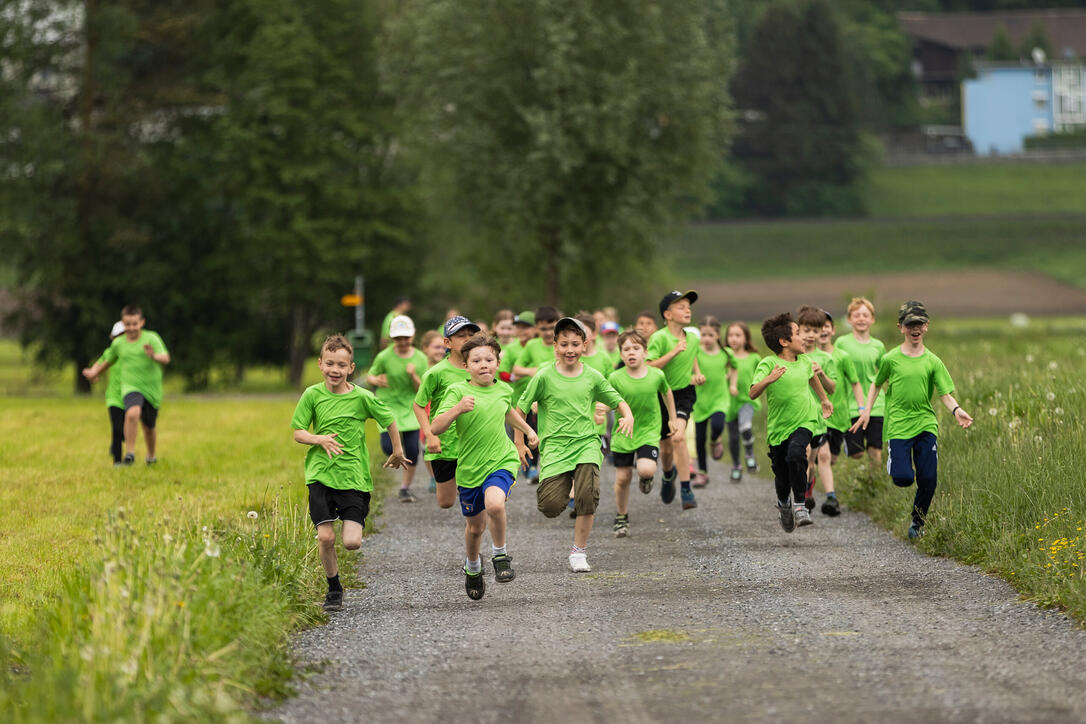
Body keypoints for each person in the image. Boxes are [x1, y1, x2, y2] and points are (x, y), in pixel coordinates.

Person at [291, 334, 409, 611]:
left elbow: (389, 418)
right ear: (320, 364)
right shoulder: (312, 395)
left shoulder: (362, 397)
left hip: (353, 478)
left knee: (352, 542)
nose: (335, 370)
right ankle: (334, 589)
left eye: (341, 365)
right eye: (330, 363)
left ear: (351, 368)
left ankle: (339, 570)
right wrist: (319, 439)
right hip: (319, 475)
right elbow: (298, 432)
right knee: (326, 537)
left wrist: (397, 450)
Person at [516, 317, 633, 572]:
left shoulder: (592, 376)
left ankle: (579, 551)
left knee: (587, 496)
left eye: (576, 344)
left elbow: (616, 399)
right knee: (549, 506)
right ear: (555, 345)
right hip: (555, 448)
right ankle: (568, 481)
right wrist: (520, 442)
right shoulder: (544, 376)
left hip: (586, 444)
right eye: (564, 344)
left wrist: (628, 415)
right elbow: (520, 408)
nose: (570, 350)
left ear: (585, 345)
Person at [852, 302, 972, 539]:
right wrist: (866, 410)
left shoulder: (933, 361)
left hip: (925, 423)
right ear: (901, 327)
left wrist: (957, 410)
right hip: (898, 425)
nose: (915, 329)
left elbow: (944, 394)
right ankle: (893, 462)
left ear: (927, 327)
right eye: (910, 324)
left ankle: (918, 523)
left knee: (929, 478)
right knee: (904, 478)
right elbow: (877, 383)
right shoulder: (890, 359)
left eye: (919, 324)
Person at [432, 334, 538, 600]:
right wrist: (457, 409)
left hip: (501, 459)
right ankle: (473, 567)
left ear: (497, 362)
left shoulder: (503, 389)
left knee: (495, 504)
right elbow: (435, 427)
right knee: (475, 528)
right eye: (476, 360)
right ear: (466, 366)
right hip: (469, 469)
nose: (483, 365)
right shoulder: (457, 392)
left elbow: (507, 411)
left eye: (489, 359)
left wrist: (526, 430)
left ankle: (500, 554)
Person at [749, 313, 832, 533]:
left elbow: (812, 378)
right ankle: (784, 504)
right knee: (782, 475)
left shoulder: (804, 361)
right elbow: (752, 392)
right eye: (797, 333)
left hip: (806, 419)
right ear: (784, 342)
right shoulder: (768, 363)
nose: (803, 338)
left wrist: (824, 400)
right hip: (778, 429)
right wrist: (769, 379)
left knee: (798, 454)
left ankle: (800, 505)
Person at [82, 305, 170, 466]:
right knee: (132, 414)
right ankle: (130, 453)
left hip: (151, 389)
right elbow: (107, 360)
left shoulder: (151, 338)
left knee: (149, 427)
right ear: (123, 323)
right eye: (127, 324)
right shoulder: (119, 344)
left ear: (141, 322)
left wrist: (153, 356)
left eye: (134, 324)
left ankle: (151, 456)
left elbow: (166, 358)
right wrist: (95, 373)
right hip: (130, 386)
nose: (131, 328)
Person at [608, 331, 676, 537]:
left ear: (645, 352)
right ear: (621, 355)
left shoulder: (657, 375)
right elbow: (605, 397)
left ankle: (646, 479)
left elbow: (667, 392)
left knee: (646, 470)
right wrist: (601, 409)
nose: (631, 353)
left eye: (636, 348)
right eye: (626, 349)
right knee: (622, 478)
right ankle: (622, 516)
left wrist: (672, 417)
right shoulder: (615, 377)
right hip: (623, 432)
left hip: (648, 430)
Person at [413, 316, 480, 509]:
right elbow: (418, 405)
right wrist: (430, 436)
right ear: (447, 342)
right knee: (446, 502)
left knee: (475, 498)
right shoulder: (436, 373)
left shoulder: (479, 367)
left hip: (473, 442)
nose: (467, 338)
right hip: (445, 444)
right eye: (461, 335)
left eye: (470, 334)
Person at [647, 290, 705, 511]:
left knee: (678, 438)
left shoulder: (692, 338)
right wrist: (672, 352)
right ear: (668, 314)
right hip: (660, 394)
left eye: (689, 306)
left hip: (683, 394)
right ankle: (668, 474)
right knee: (666, 449)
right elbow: (650, 366)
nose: (687, 310)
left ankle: (685, 488)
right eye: (681, 307)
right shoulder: (659, 338)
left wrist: (697, 374)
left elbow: (693, 357)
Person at [367, 315, 428, 503]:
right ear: (392, 338)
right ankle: (396, 458)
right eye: (398, 338)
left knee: (412, 450)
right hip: (388, 404)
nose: (402, 342)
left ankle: (405, 488)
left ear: (413, 336)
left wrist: (413, 376)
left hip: (410, 406)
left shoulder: (420, 358)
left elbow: (424, 389)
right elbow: (370, 375)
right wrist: (376, 380)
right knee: (388, 447)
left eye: (406, 338)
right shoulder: (384, 356)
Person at [817, 312, 864, 516]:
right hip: (816, 416)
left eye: (827, 326)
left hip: (839, 416)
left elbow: (855, 383)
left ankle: (811, 484)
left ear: (833, 330)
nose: (823, 330)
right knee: (823, 455)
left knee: (832, 458)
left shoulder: (842, 357)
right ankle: (831, 497)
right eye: (818, 327)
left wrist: (861, 408)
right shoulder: (804, 357)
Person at [796, 306, 838, 513]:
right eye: (806, 330)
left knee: (811, 464)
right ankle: (800, 501)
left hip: (819, 419)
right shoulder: (792, 356)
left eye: (815, 330)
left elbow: (832, 388)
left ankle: (808, 488)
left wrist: (821, 374)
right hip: (797, 417)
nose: (811, 335)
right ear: (798, 330)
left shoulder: (826, 358)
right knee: (802, 457)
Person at [512, 305, 560, 484]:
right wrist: (533, 370)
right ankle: (533, 466)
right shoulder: (532, 345)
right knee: (535, 432)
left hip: (558, 398)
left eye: (551, 328)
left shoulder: (562, 344)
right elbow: (516, 369)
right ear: (536, 328)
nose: (547, 333)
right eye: (543, 329)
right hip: (535, 399)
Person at [836, 297, 887, 466]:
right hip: (851, 405)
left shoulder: (878, 346)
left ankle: (874, 486)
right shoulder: (842, 343)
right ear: (849, 319)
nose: (861, 319)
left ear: (872, 319)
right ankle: (859, 477)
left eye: (865, 315)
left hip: (876, 404)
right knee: (856, 453)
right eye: (856, 315)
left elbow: (884, 374)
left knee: (875, 450)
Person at [691, 316, 732, 488]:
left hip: (720, 398)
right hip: (700, 401)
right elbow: (688, 374)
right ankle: (703, 473)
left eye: (710, 335)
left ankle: (715, 440)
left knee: (717, 425)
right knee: (699, 439)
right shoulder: (695, 353)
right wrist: (694, 378)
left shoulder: (726, 354)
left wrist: (731, 379)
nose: (706, 338)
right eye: (703, 335)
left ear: (717, 335)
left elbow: (733, 367)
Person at [723, 321, 762, 481]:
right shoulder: (724, 357)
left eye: (738, 335)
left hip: (747, 400)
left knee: (745, 427)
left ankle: (750, 454)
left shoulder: (754, 358)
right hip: (729, 402)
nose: (733, 339)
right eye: (730, 335)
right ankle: (736, 465)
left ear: (746, 338)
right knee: (733, 437)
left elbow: (761, 377)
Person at [90, 321, 127, 465]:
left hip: (130, 394)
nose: (120, 339)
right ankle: (117, 461)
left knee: (126, 428)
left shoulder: (131, 353)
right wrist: (93, 374)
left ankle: (123, 448)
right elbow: (98, 364)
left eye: (123, 335)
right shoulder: (109, 353)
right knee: (117, 428)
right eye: (117, 336)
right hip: (114, 396)